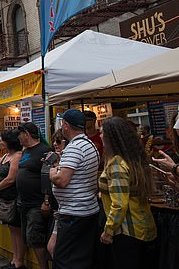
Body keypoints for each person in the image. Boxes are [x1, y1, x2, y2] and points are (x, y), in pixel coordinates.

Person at [98, 117, 157, 269]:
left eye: (102, 133)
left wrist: (108, 230)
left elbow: (119, 204)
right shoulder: (134, 159)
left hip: (126, 231)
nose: (100, 136)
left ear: (112, 137)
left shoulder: (117, 164)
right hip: (145, 227)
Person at [49, 109, 100, 269]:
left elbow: (61, 180)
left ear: (66, 125)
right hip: (86, 209)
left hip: (74, 213)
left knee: (65, 260)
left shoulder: (75, 147)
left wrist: (52, 169)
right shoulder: (89, 143)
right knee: (80, 257)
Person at [16, 123, 51, 269]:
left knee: (35, 238)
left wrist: (46, 201)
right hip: (24, 203)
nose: (18, 137)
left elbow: (48, 177)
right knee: (27, 237)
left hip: (37, 204)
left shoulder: (44, 151)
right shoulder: (25, 151)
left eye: (20, 134)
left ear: (26, 134)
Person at [0, 129, 25, 269]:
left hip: (14, 197)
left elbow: (11, 178)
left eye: (3, 141)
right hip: (4, 197)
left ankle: (19, 261)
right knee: (12, 229)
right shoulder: (5, 156)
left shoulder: (17, 156)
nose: (1, 143)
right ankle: (14, 258)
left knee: (17, 230)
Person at [45, 129, 68, 258]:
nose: (55, 144)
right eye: (53, 141)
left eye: (58, 141)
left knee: (54, 247)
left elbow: (59, 180)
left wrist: (54, 167)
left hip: (64, 210)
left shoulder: (67, 160)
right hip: (55, 209)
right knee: (53, 247)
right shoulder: (56, 158)